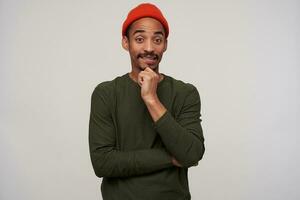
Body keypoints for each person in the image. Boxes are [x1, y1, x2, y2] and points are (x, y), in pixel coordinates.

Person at [89, 3, 205, 200]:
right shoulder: (106, 93)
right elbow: (103, 163)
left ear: (165, 44)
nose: (149, 48)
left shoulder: (185, 93)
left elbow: (192, 153)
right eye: (140, 39)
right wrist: (169, 157)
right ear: (126, 42)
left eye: (157, 39)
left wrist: (151, 99)